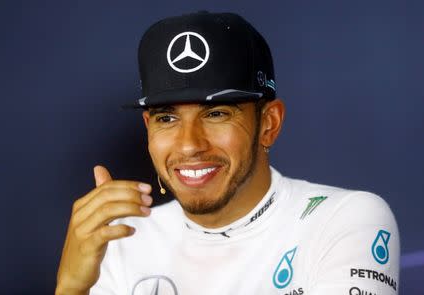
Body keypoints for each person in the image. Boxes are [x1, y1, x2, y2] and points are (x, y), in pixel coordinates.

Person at [55, 11, 400, 295]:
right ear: (148, 128)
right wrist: (71, 287)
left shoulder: (342, 220)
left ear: (269, 123)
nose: (189, 144)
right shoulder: (120, 241)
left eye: (217, 113)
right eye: (167, 117)